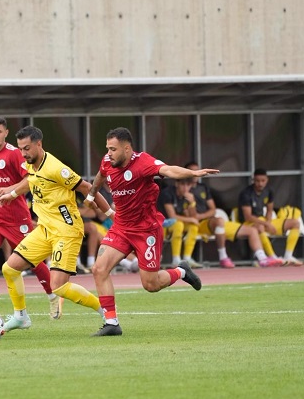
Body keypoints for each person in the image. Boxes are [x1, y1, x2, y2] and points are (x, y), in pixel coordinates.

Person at [87, 127, 219, 336]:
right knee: (99, 269)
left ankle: (181, 271)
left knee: (151, 284)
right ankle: (111, 323)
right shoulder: (108, 161)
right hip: (121, 227)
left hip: (145, 230)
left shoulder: (143, 162)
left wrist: (192, 173)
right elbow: (100, 176)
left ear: (127, 148)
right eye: (107, 149)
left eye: (113, 149)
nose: (109, 153)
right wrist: (92, 193)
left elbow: (169, 170)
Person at [0, 125, 114, 335]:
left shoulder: (56, 169)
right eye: (21, 149)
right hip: (45, 229)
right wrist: (12, 194)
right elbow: (31, 181)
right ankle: (20, 317)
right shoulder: (32, 163)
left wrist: (112, 215)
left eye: (27, 148)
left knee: (58, 286)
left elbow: (87, 187)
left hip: (66, 230)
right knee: (9, 268)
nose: (23, 153)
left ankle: (106, 312)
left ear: (39, 144)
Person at [0, 117, 62, 320]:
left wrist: (10, 190)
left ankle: (53, 296)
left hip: (16, 217)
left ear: (6, 133)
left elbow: (29, 178)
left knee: (33, 260)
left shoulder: (14, 154)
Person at [183, 161, 280, 268]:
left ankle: (263, 259)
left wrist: (202, 216)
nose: (196, 173)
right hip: (196, 226)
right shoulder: (183, 189)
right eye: (193, 170)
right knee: (219, 221)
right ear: (186, 172)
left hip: (211, 222)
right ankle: (223, 257)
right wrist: (193, 206)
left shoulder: (203, 187)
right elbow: (192, 217)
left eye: (197, 170)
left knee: (252, 230)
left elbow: (213, 210)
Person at [238, 168, 301, 266]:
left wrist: (269, 221)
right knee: (260, 227)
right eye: (257, 181)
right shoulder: (246, 194)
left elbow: (270, 210)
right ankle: (273, 256)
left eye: (263, 181)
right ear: (253, 180)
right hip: (249, 223)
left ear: (267, 180)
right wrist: (266, 224)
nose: (260, 184)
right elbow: (248, 217)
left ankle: (288, 256)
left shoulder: (269, 191)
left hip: (263, 221)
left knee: (295, 223)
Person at [158, 178, 202, 268]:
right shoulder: (167, 193)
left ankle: (187, 258)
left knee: (193, 226)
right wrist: (191, 219)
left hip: (174, 224)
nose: (185, 188)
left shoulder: (187, 196)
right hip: (160, 225)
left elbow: (193, 217)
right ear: (177, 184)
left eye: (188, 185)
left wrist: (192, 203)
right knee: (179, 224)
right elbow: (172, 216)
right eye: (183, 184)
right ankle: (176, 259)